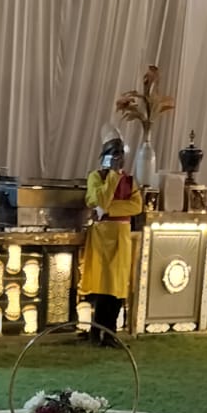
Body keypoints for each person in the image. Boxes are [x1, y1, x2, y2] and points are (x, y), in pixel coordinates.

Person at [80, 135, 142, 344]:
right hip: (102, 237)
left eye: (120, 154)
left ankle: (110, 334)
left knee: (118, 287)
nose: (118, 158)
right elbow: (99, 199)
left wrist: (107, 210)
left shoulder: (130, 181)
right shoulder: (95, 177)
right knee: (103, 287)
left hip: (121, 237)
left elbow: (136, 206)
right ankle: (95, 332)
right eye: (114, 154)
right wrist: (113, 177)